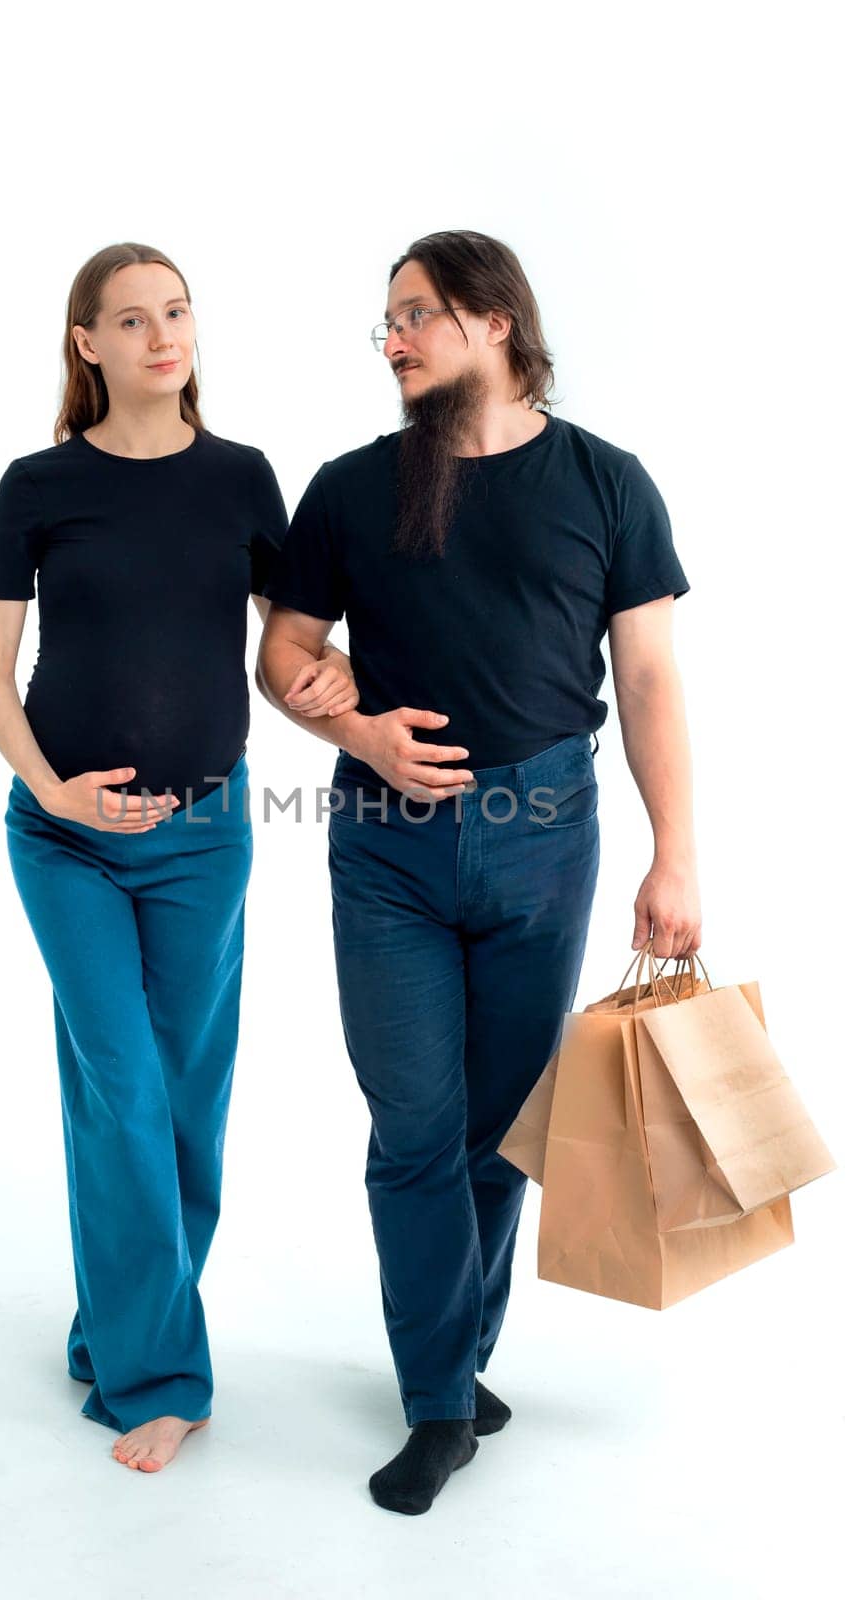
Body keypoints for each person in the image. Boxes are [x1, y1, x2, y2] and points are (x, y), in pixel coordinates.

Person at [257, 229, 699, 1516]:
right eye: (383, 320)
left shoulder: (605, 482)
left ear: (494, 321)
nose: (390, 338)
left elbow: (652, 677)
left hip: (545, 839)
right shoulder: (348, 489)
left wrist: (676, 853)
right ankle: (440, 1400)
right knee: (411, 1130)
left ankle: (452, 1350)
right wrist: (354, 731)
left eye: (413, 314)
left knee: (500, 1137)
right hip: (383, 853)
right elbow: (282, 652)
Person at [0, 242, 357, 1475]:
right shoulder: (35, 484)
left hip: (205, 838)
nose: (160, 335)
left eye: (176, 312)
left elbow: (286, 648)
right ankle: (160, 1376)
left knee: (184, 1104)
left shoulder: (244, 481)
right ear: (85, 343)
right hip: (66, 842)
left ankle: (113, 1319)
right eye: (130, 320)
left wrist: (337, 690)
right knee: (123, 1090)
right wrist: (53, 791)